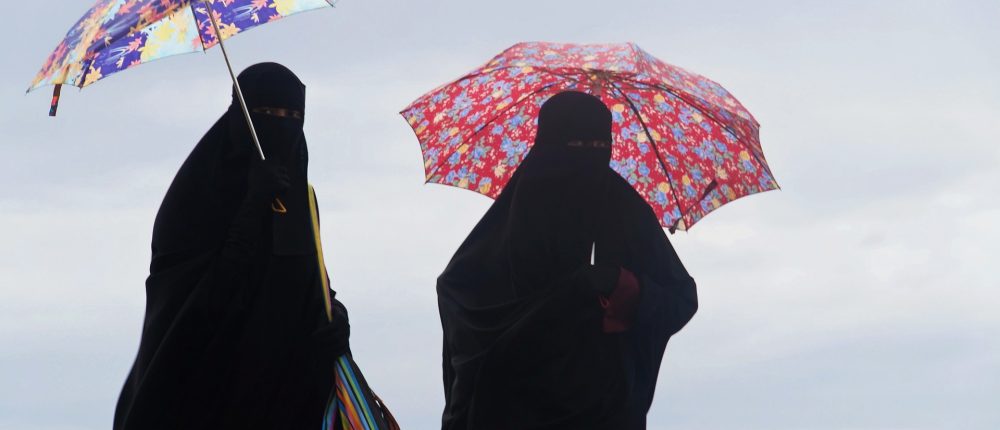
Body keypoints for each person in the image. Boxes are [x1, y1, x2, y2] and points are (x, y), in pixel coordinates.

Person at [436, 91, 699, 430]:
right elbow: (458, 295)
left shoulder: (622, 209)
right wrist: (565, 298)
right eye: (576, 145)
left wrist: (622, 286)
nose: (588, 158)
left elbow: (678, 298)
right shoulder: (513, 217)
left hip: (600, 413)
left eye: (600, 146)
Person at [113, 63, 350, 430]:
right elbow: (192, 304)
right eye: (267, 113)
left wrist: (336, 316)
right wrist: (252, 205)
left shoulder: (299, 196)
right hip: (206, 395)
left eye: (293, 116)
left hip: (286, 397)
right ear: (241, 117)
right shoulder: (196, 196)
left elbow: (308, 279)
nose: (281, 125)